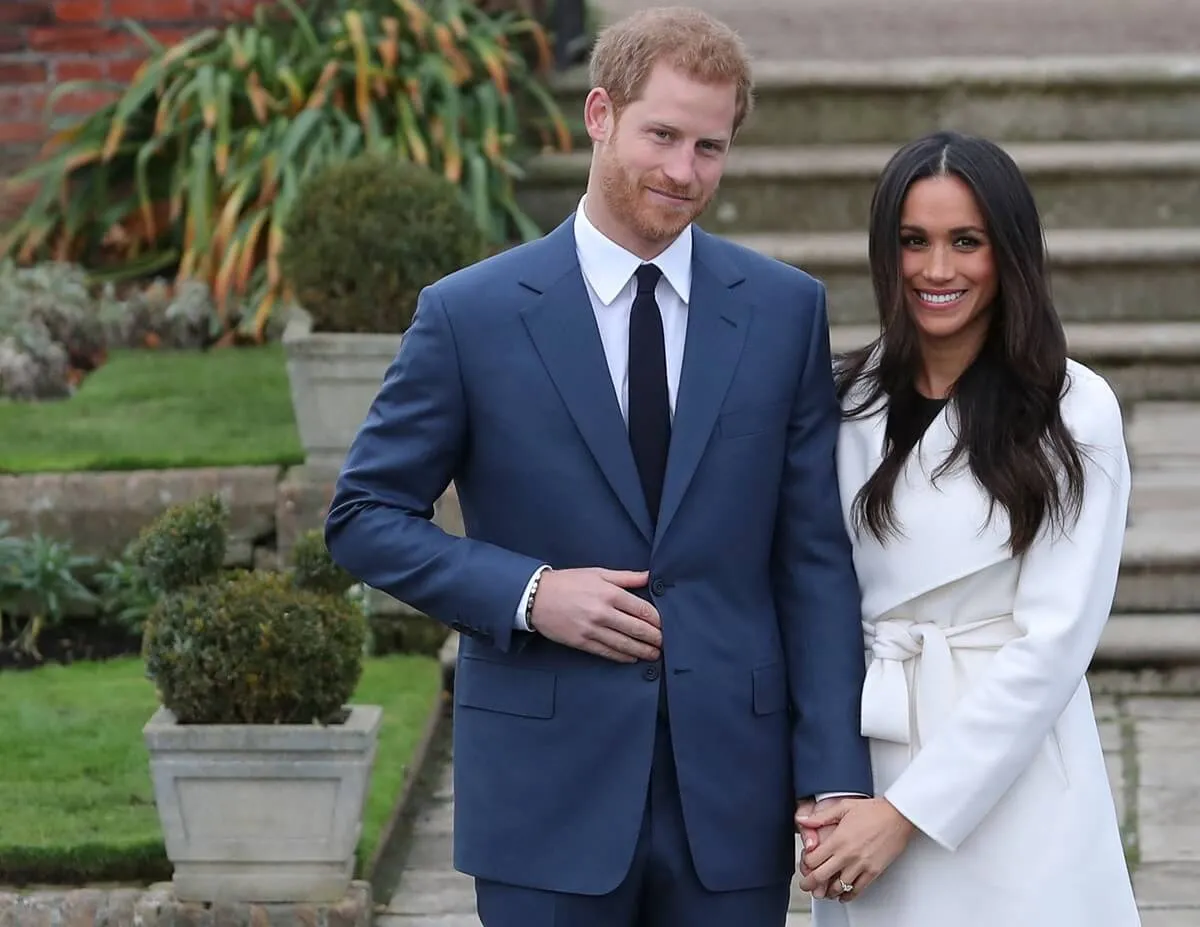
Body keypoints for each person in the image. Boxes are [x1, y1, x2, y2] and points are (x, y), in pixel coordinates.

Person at [323, 6, 872, 925]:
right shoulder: (470, 315)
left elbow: (813, 560)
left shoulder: (784, 313)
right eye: (662, 134)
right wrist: (532, 592)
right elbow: (364, 515)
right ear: (599, 115)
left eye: (710, 147)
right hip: (545, 793)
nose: (683, 171)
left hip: (732, 797)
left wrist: (833, 775)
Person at [794, 131, 1141, 926]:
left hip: (1009, 777)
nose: (937, 270)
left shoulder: (1072, 408)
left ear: (1009, 252)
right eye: (913, 241)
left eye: (966, 242)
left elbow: (1053, 645)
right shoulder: (843, 398)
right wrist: (833, 787)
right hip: (868, 755)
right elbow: (810, 591)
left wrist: (907, 813)